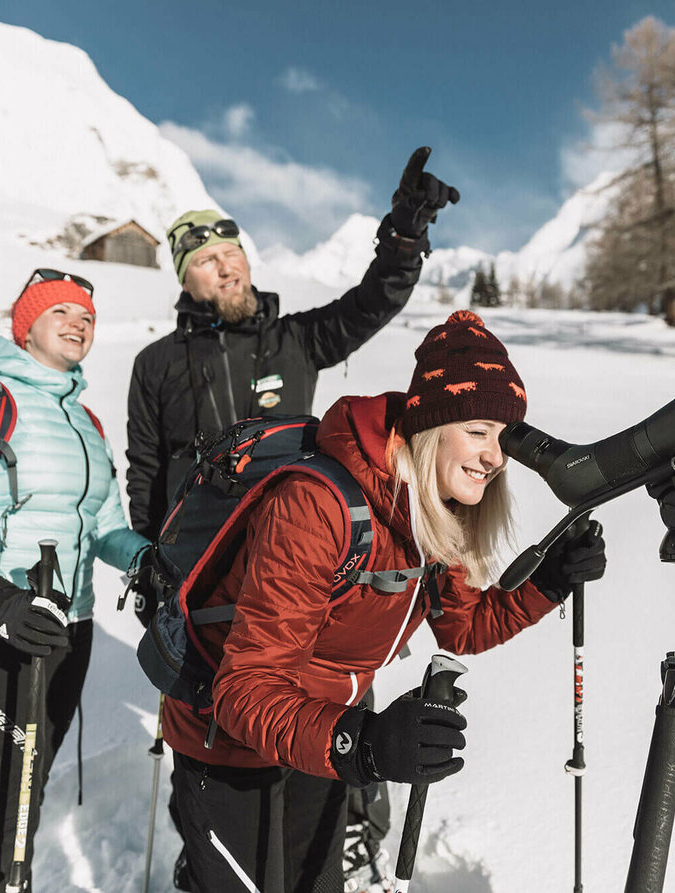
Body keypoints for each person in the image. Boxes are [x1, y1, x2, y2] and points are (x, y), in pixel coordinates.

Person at [161, 310, 608, 893]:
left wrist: (546, 585)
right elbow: (246, 690)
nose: (495, 457)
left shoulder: (437, 509)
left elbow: (463, 630)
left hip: (320, 736)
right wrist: (363, 744)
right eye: (477, 430)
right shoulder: (315, 506)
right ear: (430, 428)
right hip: (229, 741)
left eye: (506, 438)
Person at [126, 147, 458, 892]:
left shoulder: (295, 339)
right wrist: (149, 560)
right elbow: (144, 470)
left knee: (322, 718)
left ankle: (341, 830)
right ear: (185, 276)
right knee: (219, 739)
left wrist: (403, 236)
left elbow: (374, 301)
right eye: (208, 259)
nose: (227, 267)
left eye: (232, 253)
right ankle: (213, 850)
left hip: (311, 576)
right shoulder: (157, 366)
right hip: (205, 594)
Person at [0, 269, 150, 891]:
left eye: (88, 316)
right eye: (62, 312)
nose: (79, 323)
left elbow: (103, 525)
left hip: (65, 625)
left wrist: (145, 559)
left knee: (31, 784)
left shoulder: (87, 423)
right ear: (26, 327)